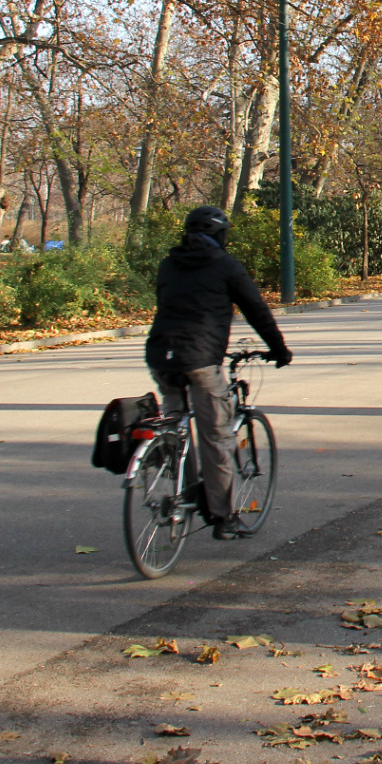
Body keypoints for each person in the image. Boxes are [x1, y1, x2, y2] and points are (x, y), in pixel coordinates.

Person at [145, 205, 291, 539]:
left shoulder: (168, 264)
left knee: (175, 425)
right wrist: (279, 350)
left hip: (160, 357)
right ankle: (224, 518)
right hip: (200, 360)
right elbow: (257, 310)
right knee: (217, 436)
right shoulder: (225, 266)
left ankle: (181, 487)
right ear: (219, 235)